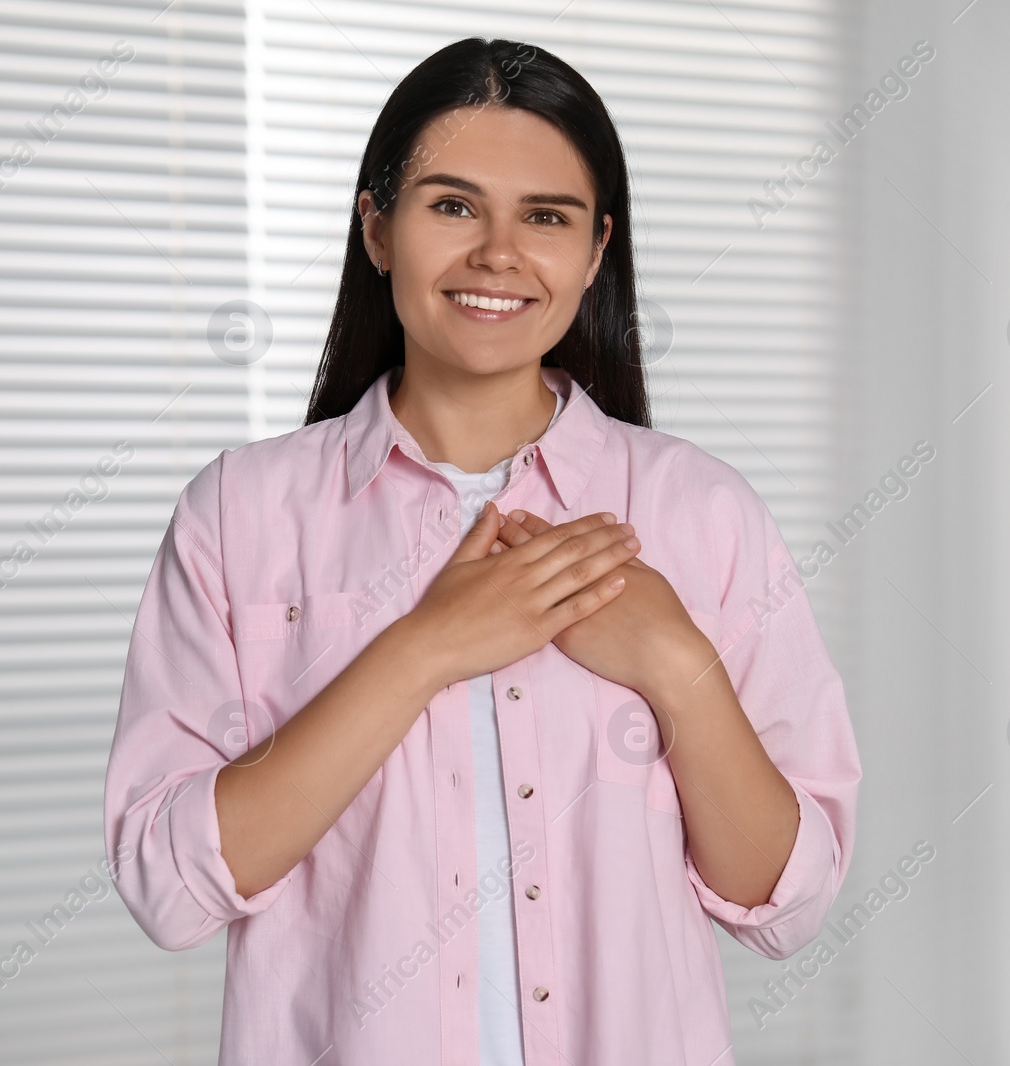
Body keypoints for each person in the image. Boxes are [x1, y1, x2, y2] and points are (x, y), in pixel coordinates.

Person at [104, 36, 861, 1066]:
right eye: (452, 206)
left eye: (544, 218)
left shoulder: (700, 513)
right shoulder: (240, 515)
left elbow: (786, 900)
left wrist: (677, 667)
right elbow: (167, 886)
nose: (497, 253)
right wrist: (425, 647)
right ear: (376, 227)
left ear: (595, 251)